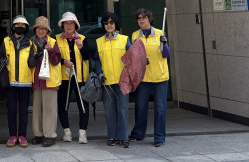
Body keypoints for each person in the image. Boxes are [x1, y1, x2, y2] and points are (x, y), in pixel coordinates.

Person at [129, 8, 170, 147]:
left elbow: (166, 54)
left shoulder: (160, 33)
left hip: (160, 76)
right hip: (143, 77)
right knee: (140, 107)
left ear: (149, 19)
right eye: (139, 18)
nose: (141, 20)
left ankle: (159, 137)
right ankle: (138, 133)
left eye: (144, 17)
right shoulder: (135, 35)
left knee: (160, 108)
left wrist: (164, 44)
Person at [94, 12, 131, 148]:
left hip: (123, 81)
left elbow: (132, 57)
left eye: (111, 22)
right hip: (106, 81)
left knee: (122, 109)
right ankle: (112, 136)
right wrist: (99, 73)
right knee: (109, 110)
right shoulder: (99, 41)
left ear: (116, 24)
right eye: (106, 23)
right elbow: (97, 60)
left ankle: (124, 137)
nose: (109, 25)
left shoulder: (124, 39)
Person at [55, 11, 91, 143]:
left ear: (76, 25)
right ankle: (67, 132)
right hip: (64, 77)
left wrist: (81, 48)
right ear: (62, 25)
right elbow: (54, 57)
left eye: (71, 23)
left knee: (83, 105)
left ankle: (82, 133)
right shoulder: (57, 39)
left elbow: (87, 56)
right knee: (63, 104)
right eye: (66, 23)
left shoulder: (82, 38)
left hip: (80, 77)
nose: (69, 26)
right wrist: (63, 61)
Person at [27, 16, 61, 147]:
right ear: (35, 29)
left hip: (49, 80)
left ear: (47, 31)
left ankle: (50, 135)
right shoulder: (31, 43)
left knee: (49, 109)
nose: (41, 31)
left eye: (43, 28)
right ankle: (38, 134)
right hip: (36, 79)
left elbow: (56, 61)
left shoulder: (53, 42)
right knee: (37, 109)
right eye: (38, 28)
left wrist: (51, 50)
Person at [0, 15, 33, 148]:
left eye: (22, 25)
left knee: (23, 110)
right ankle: (12, 135)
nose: (20, 27)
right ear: (13, 27)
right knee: (11, 109)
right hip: (10, 81)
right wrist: (2, 60)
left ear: (26, 28)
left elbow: (31, 63)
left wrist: (37, 56)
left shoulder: (30, 43)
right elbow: (0, 56)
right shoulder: (6, 41)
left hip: (25, 81)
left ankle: (22, 135)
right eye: (17, 25)